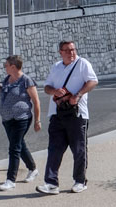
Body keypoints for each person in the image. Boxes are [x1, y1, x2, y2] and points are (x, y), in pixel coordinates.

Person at [36, 40, 98, 194]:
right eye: (68, 50)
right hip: (57, 114)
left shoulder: (82, 63)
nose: (72, 53)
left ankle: (80, 181)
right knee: (54, 149)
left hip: (77, 114)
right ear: (60, 52)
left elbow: (93, 81)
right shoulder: (56, 67)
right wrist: (54, 91)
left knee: (79, 149)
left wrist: (78, 95)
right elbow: (46, 87)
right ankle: (51, 183)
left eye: (73, 49)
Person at [0, 55, 41, 191]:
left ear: (13, 67)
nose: (4, 67)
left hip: (21, 118)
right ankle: (33, 169)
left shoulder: (26, 80)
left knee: (14, 148)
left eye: (6, 65)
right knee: (20, 145)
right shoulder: (7, 80)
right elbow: (4, 95)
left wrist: (37, 120)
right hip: (7, 119)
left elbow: (36, 101)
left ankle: (10, 180)